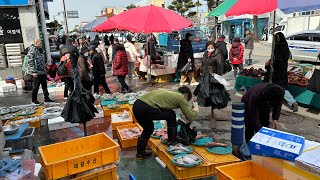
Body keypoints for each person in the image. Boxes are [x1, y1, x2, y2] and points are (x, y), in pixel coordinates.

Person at [133, 86, 199, 159]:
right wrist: (196, 108)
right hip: (146, 108)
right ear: (186, 95)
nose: (186, 102)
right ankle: (172, 141)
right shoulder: (181, 97)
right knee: (171, 115)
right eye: (187, 100)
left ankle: (140, 153)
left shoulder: (170, 92)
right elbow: (190, 117)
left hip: (136, 105)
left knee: (148, 128)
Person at [264, 32, 299, 112]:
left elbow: (274, 63)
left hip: (275, 73)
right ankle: (293, 102)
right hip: (283, 72)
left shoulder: (276, 48)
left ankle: (270, 105)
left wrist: (268, 65)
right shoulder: (286, 48)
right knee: (283, 89)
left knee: (271, 88)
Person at [27, 39, 54, 104]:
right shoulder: (32, 50)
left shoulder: (40, 50)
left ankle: (46, 98)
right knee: (36, 86)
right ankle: (34, 100)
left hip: (42, 71)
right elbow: (30, 62)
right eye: (40, 43)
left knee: (44, 85)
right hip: (36, 72)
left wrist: (45, 70)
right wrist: (33, 72)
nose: (41, 45)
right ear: (36, 43)